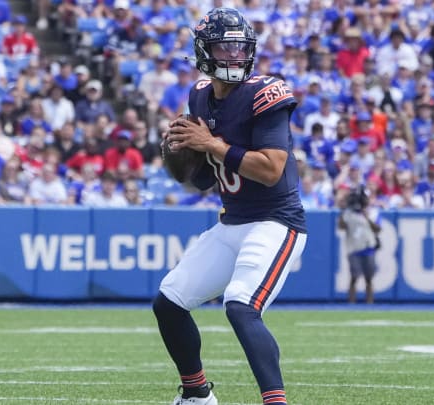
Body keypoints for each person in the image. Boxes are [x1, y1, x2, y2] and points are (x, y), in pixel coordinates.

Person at [155, 8, 307, 405]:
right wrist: (180, 152)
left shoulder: (264, 92)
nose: (234, 56)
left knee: (241, 305)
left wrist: (212, 145)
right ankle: (196, 394)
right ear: (205, 52)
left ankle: (276, 401)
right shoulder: (200, 96)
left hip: (275, 223)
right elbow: (205, 178)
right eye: (225, 47)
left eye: (240, 48)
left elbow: (272, 169)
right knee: (169, 301)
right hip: (231, 222)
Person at [337, 184, 380, 304]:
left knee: (369, 278)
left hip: (368, 247)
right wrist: (343, 210)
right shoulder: (349, 212)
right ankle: (351, 303)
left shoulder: (373, 212)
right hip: (354, 247)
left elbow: (377, 229)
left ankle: (370, 303)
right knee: (354, 276)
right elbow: (341, 226)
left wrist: (367, 217)